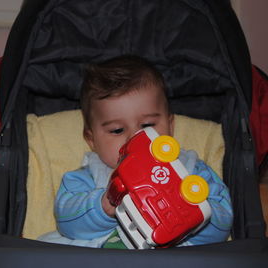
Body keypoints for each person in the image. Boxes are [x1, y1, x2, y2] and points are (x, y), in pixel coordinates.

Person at [38, 55, 233, 249]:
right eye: (117, 130)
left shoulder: (191, 171)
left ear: (170, 126)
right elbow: (67, 221)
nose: (135, 137)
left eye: (147, 125)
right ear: (92, 140)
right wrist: (103, 206)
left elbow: (223, 225)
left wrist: (194, 212)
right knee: (46, 248)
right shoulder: (85, 178)